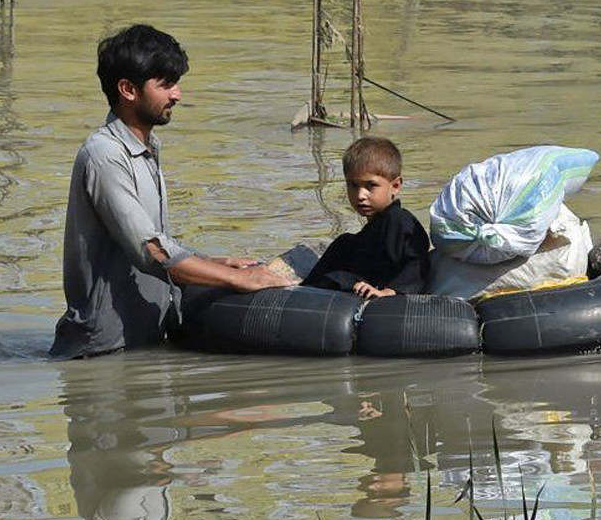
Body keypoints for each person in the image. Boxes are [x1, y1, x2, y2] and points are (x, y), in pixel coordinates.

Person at [52, 24, 292, 359]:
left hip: (143, 345)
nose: (177, 95)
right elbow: (151, 251)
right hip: (102, 354)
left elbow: (154, 243)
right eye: (166, 85)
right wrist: (242, 279)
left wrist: (215, 262)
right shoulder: (104, 155)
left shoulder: (147, 148)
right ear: (128, 89)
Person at [302, 137, 430, 298]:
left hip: (382, 295)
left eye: (371, 186)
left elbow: (417, 263)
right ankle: (301, 290)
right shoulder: (369, 231)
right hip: (357, 286)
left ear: (395, 186)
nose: (360, 195)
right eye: (353, 185)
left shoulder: (398, 221)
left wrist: (388, 292)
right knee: (344, 242)